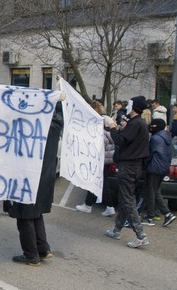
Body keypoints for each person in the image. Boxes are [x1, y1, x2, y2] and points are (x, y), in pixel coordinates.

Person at [9, 104, 63, 265]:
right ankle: (43, 248)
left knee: (25, 214)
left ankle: (31, 254)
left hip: (29, 176)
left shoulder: (37, 123)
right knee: (36, 213)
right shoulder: (55, 123)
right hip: (45, 175)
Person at [105, 95, 150, 248]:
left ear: (134, 107)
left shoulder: (135, 123)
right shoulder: (139, 123)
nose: (127, 107)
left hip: (128, 166)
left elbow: (120, 140)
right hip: (135, 166)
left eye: (129, 104)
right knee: (125, 198)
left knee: (128, 200)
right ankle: (117, 229)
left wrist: (112, 127)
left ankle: (140, 235)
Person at [76, 102, 116, 217]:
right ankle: (88, 204)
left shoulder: (99, 123)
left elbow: (100, 142)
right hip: (106, 158)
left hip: (101, 158)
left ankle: (109, 206)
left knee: (101, 183)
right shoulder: (106, 121)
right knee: (96, 181)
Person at [142, 119, 177, 227]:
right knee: (156, 191)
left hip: (154, 167)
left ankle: (150, 217)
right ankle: (168, 214)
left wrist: (144, 165)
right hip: (163, 168)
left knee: (150, 192)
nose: (150, 127)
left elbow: (149, 154)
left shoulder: (155, 138)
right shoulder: (166, 137)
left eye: (152, 125)